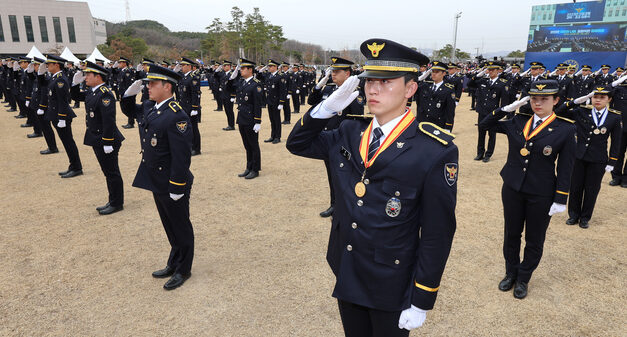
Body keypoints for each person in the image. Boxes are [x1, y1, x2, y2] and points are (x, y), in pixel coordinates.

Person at [287, 38, 458, 336]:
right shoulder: (350, 130)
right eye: (369, 82)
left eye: (386, 82)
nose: (373, 90)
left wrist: (422, 297)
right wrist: (326, 108)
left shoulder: (434, 150)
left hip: (392, 279)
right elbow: (297, 143)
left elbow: (437, 232)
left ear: (410, 88)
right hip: (348, 266)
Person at [479, 80, 576, 299]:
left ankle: (523, 278)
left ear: (556, 101)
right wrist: (506, 108)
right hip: (512, 187)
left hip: (541, 192)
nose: (538, 103)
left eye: (544, 99)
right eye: (534, 99)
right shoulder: (517, 120)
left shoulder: (565, 129)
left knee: (534, 239)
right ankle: (510, 273)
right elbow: (486, 125)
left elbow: (566, 167)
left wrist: (561, 198)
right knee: (511, 234)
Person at [120, 64, 194, 290]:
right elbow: (131, 111)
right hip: (156, 178)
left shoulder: (177, 116)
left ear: (167, 86)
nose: (148, 87)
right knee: (169, 225)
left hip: (171, 181)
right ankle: (174, 262)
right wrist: (127, 95)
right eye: (147, 83)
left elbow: (182, 158)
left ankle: (183, 269)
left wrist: (177, 185)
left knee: (180, 226)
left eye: (152, 83)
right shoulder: (153, 108)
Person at [556, 87, 622, 228]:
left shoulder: (614, 117)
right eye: (595, 96)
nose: (598, 100)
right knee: (575, 187)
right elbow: (559, 112)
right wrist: (574, 102)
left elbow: (616, 142)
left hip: (598, 159)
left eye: (602, 97)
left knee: (592, 189)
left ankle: (585, 217)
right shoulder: (582, 111)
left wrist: (612, 161)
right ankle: (573, 215)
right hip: (578, 156)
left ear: (609, 99)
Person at [308, 56, 365, 218]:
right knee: (332, 176)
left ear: (347, 74)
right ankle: (334, 205)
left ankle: (344, 207)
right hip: (328, 140)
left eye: (337, 71)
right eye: (332, 71)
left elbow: (356, 122)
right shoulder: (329, 90)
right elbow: (312, 100)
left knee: (344, 178)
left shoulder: (354, 94)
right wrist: (319, 84)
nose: (333, 74)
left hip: (343, 144)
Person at [73, 61, 125, 215]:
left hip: (106, 139)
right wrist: (75, 84)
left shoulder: (105, 93)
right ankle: (113, 200)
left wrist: (107, 142)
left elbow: (109, 120)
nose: (86, 77)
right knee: (107, 171)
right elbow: (76, 96)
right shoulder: (92, 91)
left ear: (98, 76)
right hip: (97, 138)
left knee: (112, 172)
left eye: (89, 74)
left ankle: (117, 203)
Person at [43, 55, 83, 178]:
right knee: (66, 142)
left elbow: (62, 101)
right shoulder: (54, 77)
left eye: (49, 64)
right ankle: (73, 166)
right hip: (56, 115)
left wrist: (61, 117)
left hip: (62, 116)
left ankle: (77, 168)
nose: (47, 66)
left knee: (68, 142)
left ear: (56, 65)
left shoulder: (61, 79)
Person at [227, 58, 263, 179]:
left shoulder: (256, 84)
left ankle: (255, 169)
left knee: (253, 145)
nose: (241, 70)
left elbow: (258, 104)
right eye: (240, 68)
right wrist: (233, 74)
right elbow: (229, 86)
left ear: (250, 70)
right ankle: (249, 167)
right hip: (242, 118)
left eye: (243, 68)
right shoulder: (242, 82)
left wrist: (258, 121)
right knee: (247, 145)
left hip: (251, 119)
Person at [468, 61, 510, 162]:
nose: (490, 72)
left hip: (493, 113)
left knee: (492, 134)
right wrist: (479, 74)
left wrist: (500, 114)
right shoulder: (483, 81)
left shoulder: (502, 83)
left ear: (498, 71)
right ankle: (480, 153)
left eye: (493, 70)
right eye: (489, 70)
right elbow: (470, 84)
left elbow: (504, 102)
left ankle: (488, 154)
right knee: (481, 133)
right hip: (482, 111)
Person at [414, 61, 456, 130]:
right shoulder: (424, 86)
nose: (433, 74)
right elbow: (411, 86)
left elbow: (450, 111)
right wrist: (419, 79)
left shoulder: (448, 89)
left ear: (444, 73)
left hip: (438, 125)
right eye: (432, 72)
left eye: (437, 72)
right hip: (422, 123)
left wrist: (448, 127)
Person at [177, 57, 203, 156]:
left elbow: (195, 94)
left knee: (193, 128)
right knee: (187, 128)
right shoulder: (184, 77)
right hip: (183, 106)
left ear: (189, 66)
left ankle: (196, 148)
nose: (182, 67)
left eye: (183, 65)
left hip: (190, 107)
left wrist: (195, 108)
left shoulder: (193, 77)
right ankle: (190, 146)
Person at [263, 59, 287, 144]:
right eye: (269, 66)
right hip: (270, 101)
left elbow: (283, 91)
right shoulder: (269, 76)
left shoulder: (280, 76)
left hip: (276, 101)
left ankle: (277, 136)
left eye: (271, 66)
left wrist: (281, 102)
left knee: (277, 119)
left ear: (275, 67)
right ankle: (272, 136)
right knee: (272, 119)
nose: (269, 68)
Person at [609, 73, 627, 187]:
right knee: (618, 153)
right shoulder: (619, 89)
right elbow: (606, 91)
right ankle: (616, 176)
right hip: (620, 127)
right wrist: (618, 81)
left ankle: (626, 178)